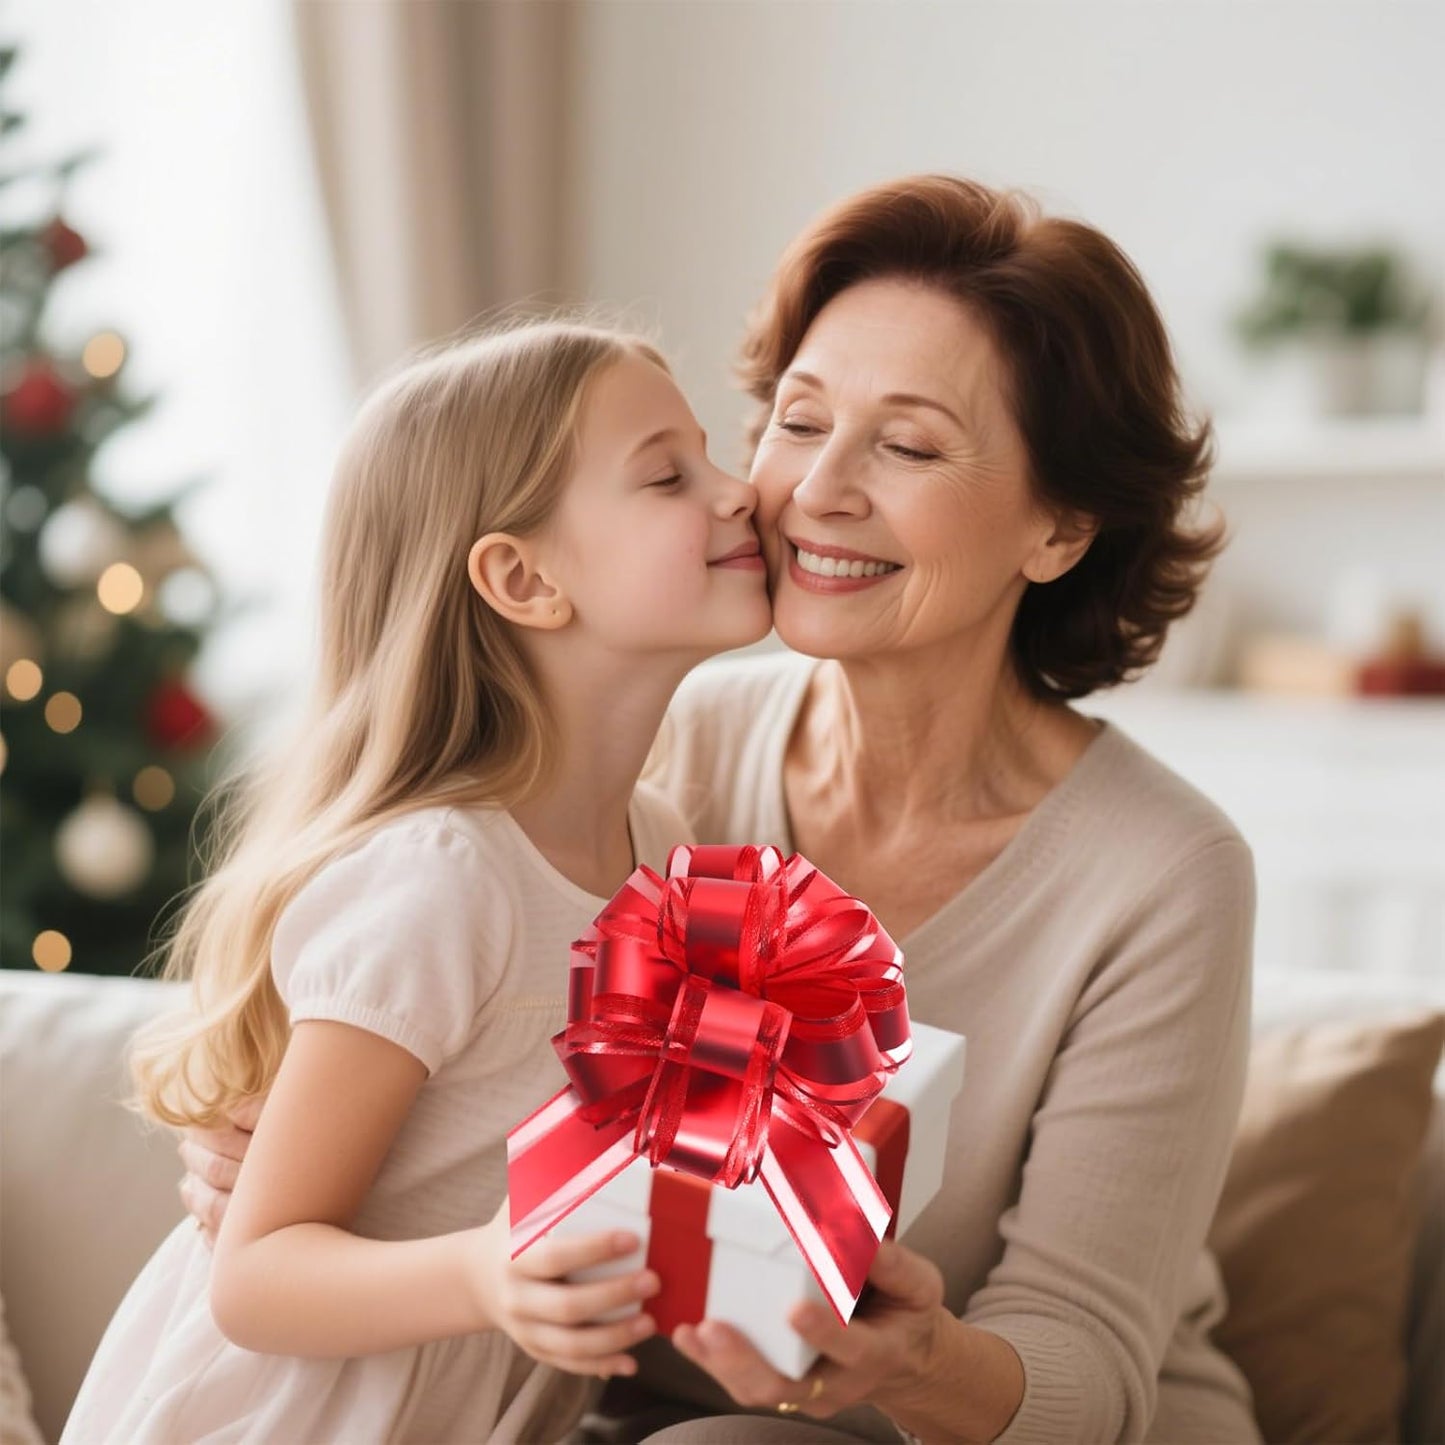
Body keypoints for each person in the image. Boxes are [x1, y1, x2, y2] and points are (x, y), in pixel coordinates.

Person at [179, 176, 1262, 1445]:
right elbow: (420, 1082)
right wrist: (259, 1157)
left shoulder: (1161, 871)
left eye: (905, 446)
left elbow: (1088, 1366)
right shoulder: (652, 764)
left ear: (1059, 528)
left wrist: (913, 1359)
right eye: (796, 422)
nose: (809, 492)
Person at [62, 320, 774, 1445]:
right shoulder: (441, 880)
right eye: (667, 473)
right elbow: (253, 1274)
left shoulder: (664, 845)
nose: (742, 492)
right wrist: (487, 1274)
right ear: (522, 576)